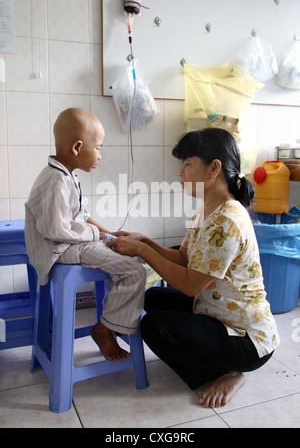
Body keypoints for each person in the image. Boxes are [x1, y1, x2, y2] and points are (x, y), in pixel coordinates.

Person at [107, 128, 280, 408]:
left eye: (187, 164)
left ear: (214, 168)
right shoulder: (205, 210)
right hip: (216, 313)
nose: (181, 172)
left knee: (154, 326)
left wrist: (142, 251)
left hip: (247, 340)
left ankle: (229, 373)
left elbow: (189, 284)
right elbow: (184, 258)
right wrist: (145, 241)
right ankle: (217, 361)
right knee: (152, 298)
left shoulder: (228, 220)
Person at [25, 107, 146, 362]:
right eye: (99, 147)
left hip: (70, 243)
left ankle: (111, 320)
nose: (100, 155)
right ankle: (103, 330)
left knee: (125, 255)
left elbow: (80, 216)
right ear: (77, 147)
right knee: (134, 270)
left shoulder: (66, 176)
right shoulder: (56, 181)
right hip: (60, 248)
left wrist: (106, 233)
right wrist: (97, 235)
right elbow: (55, 229)